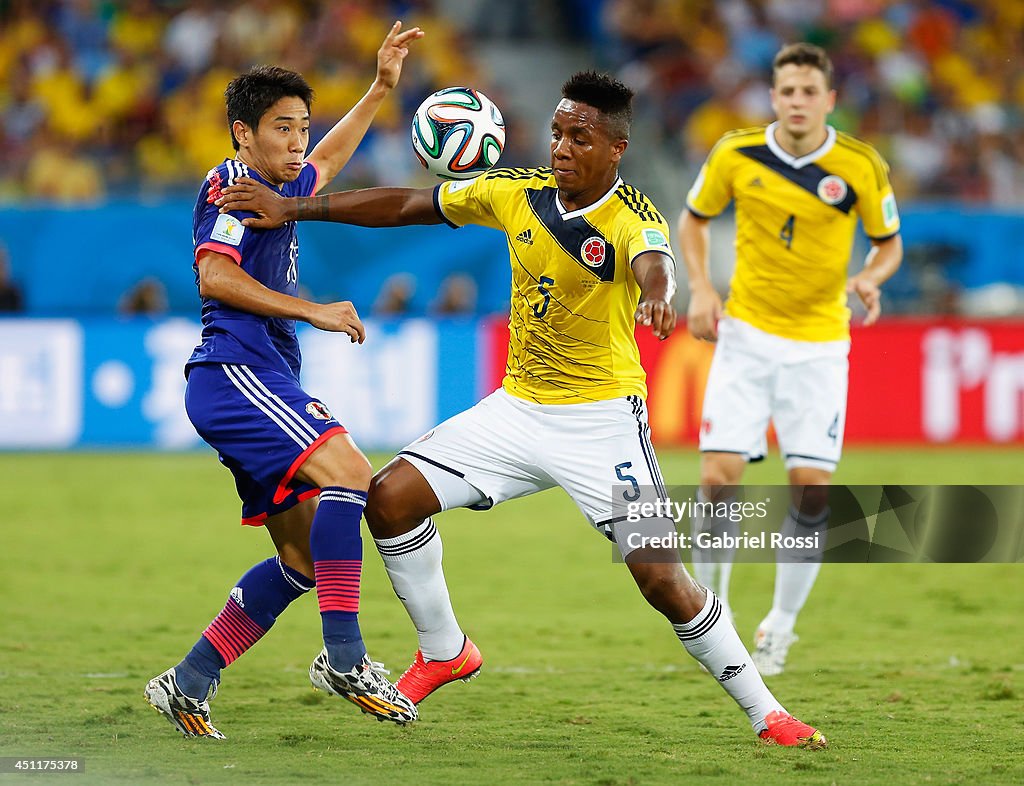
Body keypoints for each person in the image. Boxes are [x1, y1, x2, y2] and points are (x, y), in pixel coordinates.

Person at [216, 71, 827, 748]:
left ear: (615, 150)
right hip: (517, 411)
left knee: (660, 576)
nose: (561, 147)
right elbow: (408, 205)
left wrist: (657, 294)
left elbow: (656, 262)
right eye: (558, 131)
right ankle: (445, 649)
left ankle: (766, 711)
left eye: (579, 137)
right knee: (387, 500)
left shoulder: (633, 219)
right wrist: (294, 208)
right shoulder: (517, 192)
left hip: (601, 423)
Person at [143, 21, 424, 740]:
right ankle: (346, 656)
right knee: (352, 474)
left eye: (302, 126)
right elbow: (214, 274)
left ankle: (190, 680)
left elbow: (327, 164)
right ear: (243, 133)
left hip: (250, 375)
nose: (298, 141)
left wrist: (379, 89)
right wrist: (314, 311)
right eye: (282, 128)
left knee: (300, 559)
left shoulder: (279, 179)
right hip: (236, 370)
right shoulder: (233, 185)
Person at [678, 43, 903, 675]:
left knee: (810, 492)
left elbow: (889, 245)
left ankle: (779, 626)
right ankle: (712, 623)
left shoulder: (861, 165)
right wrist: (700, 285)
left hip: (820, 348)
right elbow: (694, 221)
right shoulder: (735, 153)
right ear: (773, 97)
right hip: (746, 337)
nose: (798, 102)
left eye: (810, 92)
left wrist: (871, 278)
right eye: (788, 92)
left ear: (829, 100)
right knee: (718, 479)